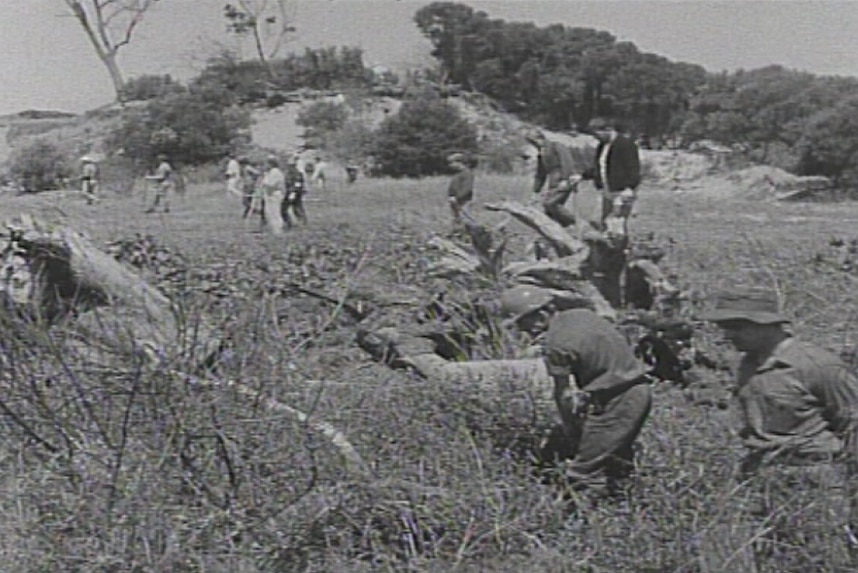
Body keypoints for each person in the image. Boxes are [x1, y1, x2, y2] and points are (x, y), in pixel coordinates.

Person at [702, 285, 858, 569]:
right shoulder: (747, 363)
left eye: (736, 327)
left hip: (812, 475)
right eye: (724, 327)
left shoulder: (818, 366)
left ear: (765, 324)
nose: (728, 335)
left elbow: (852, 424)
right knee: (770, 556)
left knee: (822, 557)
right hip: (761, 472)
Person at [500, 285, 653, 499]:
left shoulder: (556, 345)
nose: (524, 330)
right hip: (639, 390)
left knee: (583, 472)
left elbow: (563, 394)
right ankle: (625, 504)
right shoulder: (582, 315)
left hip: (618, 401)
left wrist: (570, 426)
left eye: (523, 322)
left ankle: (591, 523)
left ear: (542, 314)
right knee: (614, 459)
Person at [582, 119, 641, 237]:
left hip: (622, 190)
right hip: (606, 189)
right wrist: (582, 175)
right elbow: (599, 166)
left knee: (617, 223)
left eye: (597, 134)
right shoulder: (602, 146)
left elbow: (633, 168)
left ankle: (619, 251)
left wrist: (630, 187)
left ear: (608, 129)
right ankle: (606, 248)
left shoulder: (625, 144)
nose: (595, 138)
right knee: (598, 220)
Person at [528, 130, 586, 228]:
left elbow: (567, 162)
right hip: (553, 182)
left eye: (534, 141)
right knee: (549, 212)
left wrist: (564, 179)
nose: (534, 144)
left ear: (540, 138)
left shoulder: (556, 146)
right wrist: (535, 192)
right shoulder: (541, 153)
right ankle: (560, 231)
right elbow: (540, 174)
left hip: (566, 180)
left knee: (550, 204)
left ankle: (576, 223)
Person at [446, 152, 475, 224]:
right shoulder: (458, 174)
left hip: (464, 201)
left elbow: (467, 189)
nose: (450, 165)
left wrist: (458, 197)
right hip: (455, 201)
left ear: (459, 162)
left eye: (452, 163)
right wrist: (451, 196)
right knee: (457, 219)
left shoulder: (467, 173)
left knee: (465, 219)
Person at [259, 156, 285, 235]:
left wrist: (265, 190)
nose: (264, 166)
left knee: (275, 213)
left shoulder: (275, 172)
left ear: (271, 164)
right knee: (269, 213)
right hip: (269, 194)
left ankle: (277, 231)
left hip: (274, 194)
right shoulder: (269, 173)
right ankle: (273, 230)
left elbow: (270, 185)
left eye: (266, 164)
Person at [281, 154, 307, 228]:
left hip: (294, 192)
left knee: (295, 207)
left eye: (290, 166)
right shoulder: (289, 173)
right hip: (290, 191)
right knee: (290, 208)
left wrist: (293, 192)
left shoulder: (297, 174)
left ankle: (301, 222)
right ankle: (290, 222)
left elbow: (298, 184)